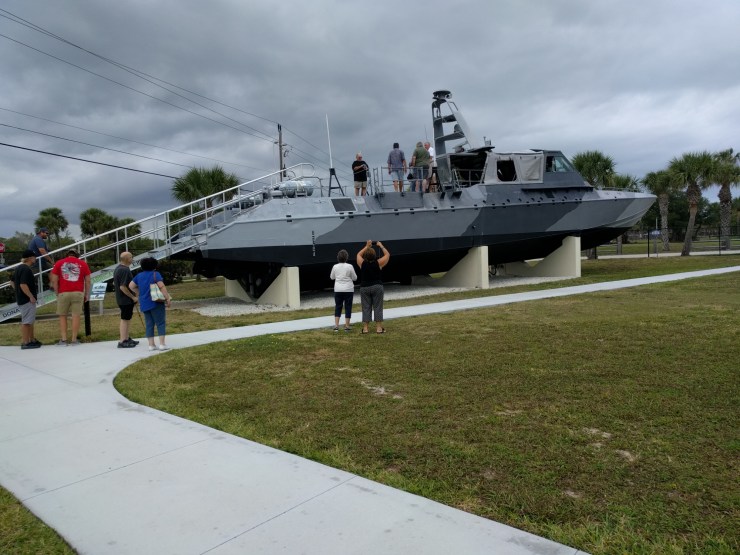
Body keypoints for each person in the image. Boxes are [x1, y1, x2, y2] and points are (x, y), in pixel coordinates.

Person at [129, 257, 172, 352]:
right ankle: (162, 344)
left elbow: (131, 286)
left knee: (149, 324)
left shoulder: (139, 276)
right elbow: (161, 286)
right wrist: (167, 298)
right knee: (160, 323)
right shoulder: (156, 274)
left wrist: (139, 292)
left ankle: (151, 345)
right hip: (156, 302)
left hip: (144, 303)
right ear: (154, 266)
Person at [50, 248, 91, 346]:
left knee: (62, 315)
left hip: (63, 292)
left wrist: (57, 292)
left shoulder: (59, 263)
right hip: (78, 292)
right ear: (77, 255)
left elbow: (54, 280)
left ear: (67, 255)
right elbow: (88, 281)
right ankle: (74, 340)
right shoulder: (83, 264)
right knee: (76, 315)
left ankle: (64, 340)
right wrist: (86, 294)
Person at [356, 240, 390, 334]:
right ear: (374, 255)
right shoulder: (378, 263)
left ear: (365, 256)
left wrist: (366, 246)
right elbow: (387, 255)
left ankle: (365, 328)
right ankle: (379, 328)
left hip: (364, 287)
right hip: (377, 286)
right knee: (378, 307)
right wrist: (381, 246)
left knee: (366, 307)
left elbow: (358, 255)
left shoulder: (362, 263)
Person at [13, 250, 41, 349]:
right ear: (30, 258)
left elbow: (11, 282)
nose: (35, 258)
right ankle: (26, 342)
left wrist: (18, 292)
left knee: (29, 321)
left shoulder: (19, 268)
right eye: (34, 256)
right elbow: (23, 284)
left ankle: (31, 340)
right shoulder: (26, 269)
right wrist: (30, 296)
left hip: (22, 298)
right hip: (26, 300)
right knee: (26, 322)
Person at [113, 251, 140, 348]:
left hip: (124, 299)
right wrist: (133, 297)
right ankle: (122, 341)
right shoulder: (124, 270)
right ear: (127, 259)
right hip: (125, 300)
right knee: (125, 319)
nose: (132, 259)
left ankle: (127, 338)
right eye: (131, 257)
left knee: (128, 318)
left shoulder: (119, 268)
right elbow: (122, 287)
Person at [330, 249, 357, 331]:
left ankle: (336, 326)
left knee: (338, 306)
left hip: (338, 289)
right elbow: (355, 278)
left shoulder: (335, 266)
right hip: (348, 289)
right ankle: (347, 326)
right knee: (348, 307)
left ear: (338, 257)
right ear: (346, 258)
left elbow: (332, 277)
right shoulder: (350, 266)